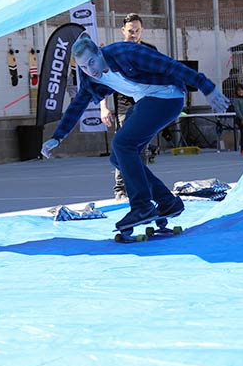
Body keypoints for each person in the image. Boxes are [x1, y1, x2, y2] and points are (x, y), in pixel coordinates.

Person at [40, 34, 229, 232]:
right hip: (146, 99)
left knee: (122, 144)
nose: (91, 70)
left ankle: (142, 206)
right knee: (117, 158)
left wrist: (208, 88)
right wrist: (57, 136)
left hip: (169, 95)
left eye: (92, 62)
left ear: (99, 51)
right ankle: (167, 201)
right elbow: (77, 105)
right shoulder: (90, 78)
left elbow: (172, 66)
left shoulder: (126, 53)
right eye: (84, 67)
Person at [98, 13, 159, 201]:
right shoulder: (114, 53)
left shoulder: (150, 50)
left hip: (146, 106)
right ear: (123, 30)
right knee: (124, 148)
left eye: (137, 31)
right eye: (130, 31)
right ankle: (121, 190)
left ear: (142, 31)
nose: (134, 34)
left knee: (142, 148)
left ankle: (140, 189)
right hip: (124, 108)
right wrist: (103, 108)